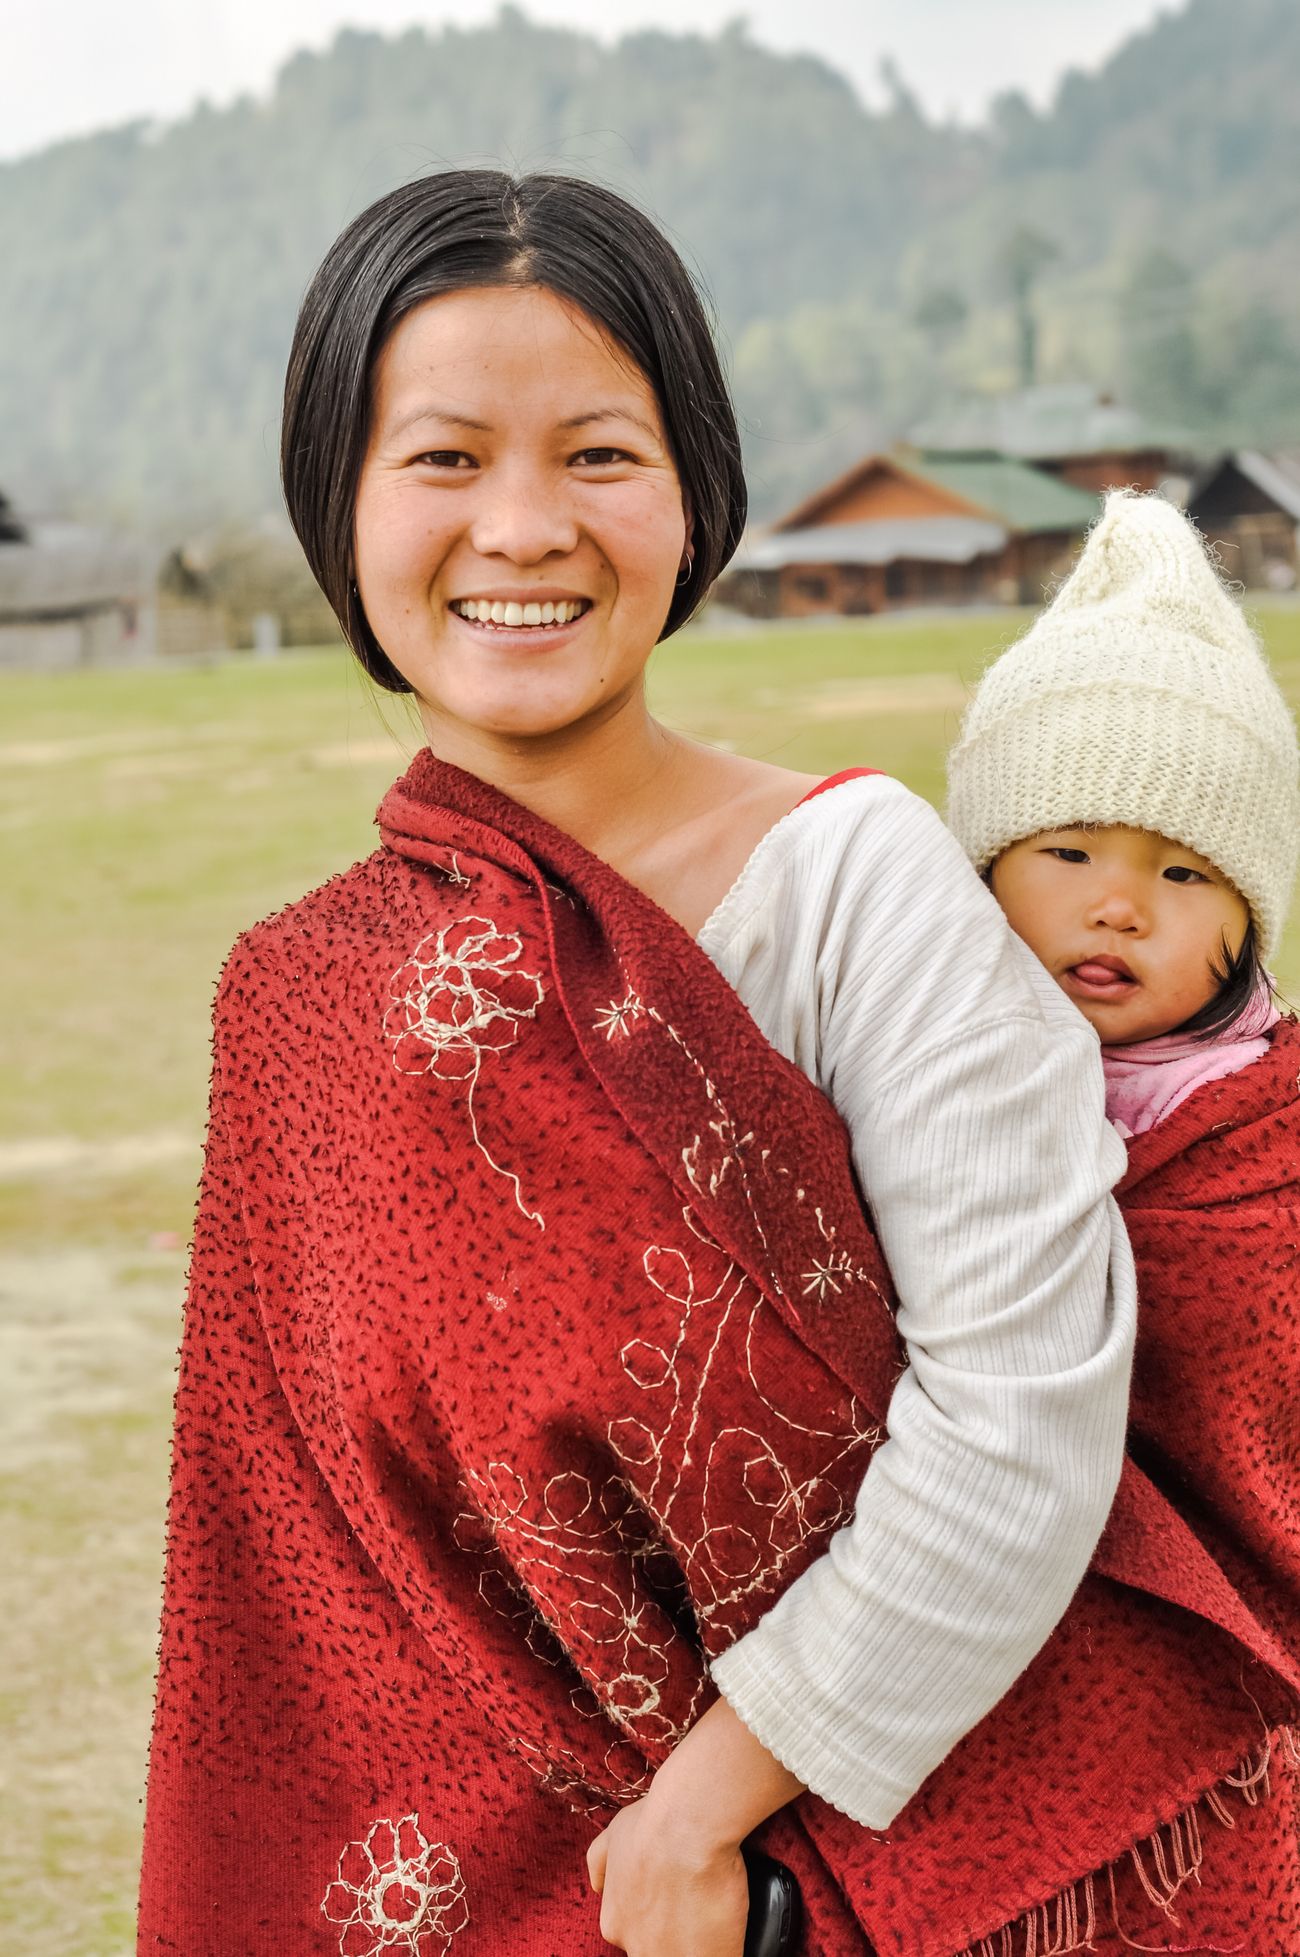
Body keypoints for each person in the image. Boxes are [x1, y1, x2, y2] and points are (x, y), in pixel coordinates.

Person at [140, 167, 1152, 1957]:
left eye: (598, 455)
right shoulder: (298, 1001)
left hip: (837, 1860)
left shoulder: (856, 885)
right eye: (444, 458)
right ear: (340, 503)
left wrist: (705, 1802)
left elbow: (1023, 1406)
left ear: (698, 496)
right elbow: (292, 1593)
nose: (523, 528)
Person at [946, 488, 1300, 1949]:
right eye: (1070, 851)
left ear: (1247, 915)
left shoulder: (1265, 1128)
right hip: (989, 1670)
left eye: (1180, 870)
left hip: (1242, 1688)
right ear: (979, 871)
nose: (1119, 908)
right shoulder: (928, 1092)